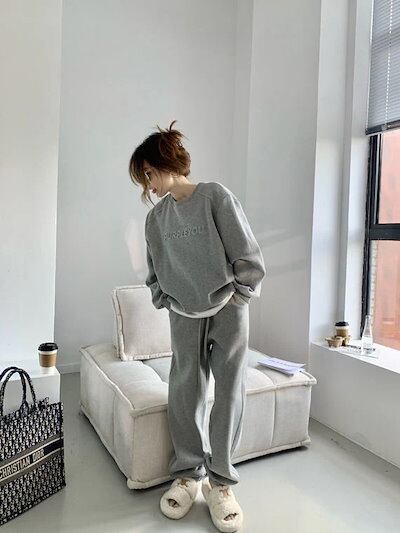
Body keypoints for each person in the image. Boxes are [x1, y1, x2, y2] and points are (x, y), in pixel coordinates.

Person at [129, 120, 266, 532]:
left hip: (228, 311)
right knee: (184, 390)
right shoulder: (156, 220)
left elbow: (247, 256)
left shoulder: (214, 197)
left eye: (148, 174)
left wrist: (239, 298)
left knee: (229, 391)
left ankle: (220, 483)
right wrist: (165, 299)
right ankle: (188, 474)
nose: (148, 185)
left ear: (164, 162)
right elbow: (154, 271)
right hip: (184, 316)